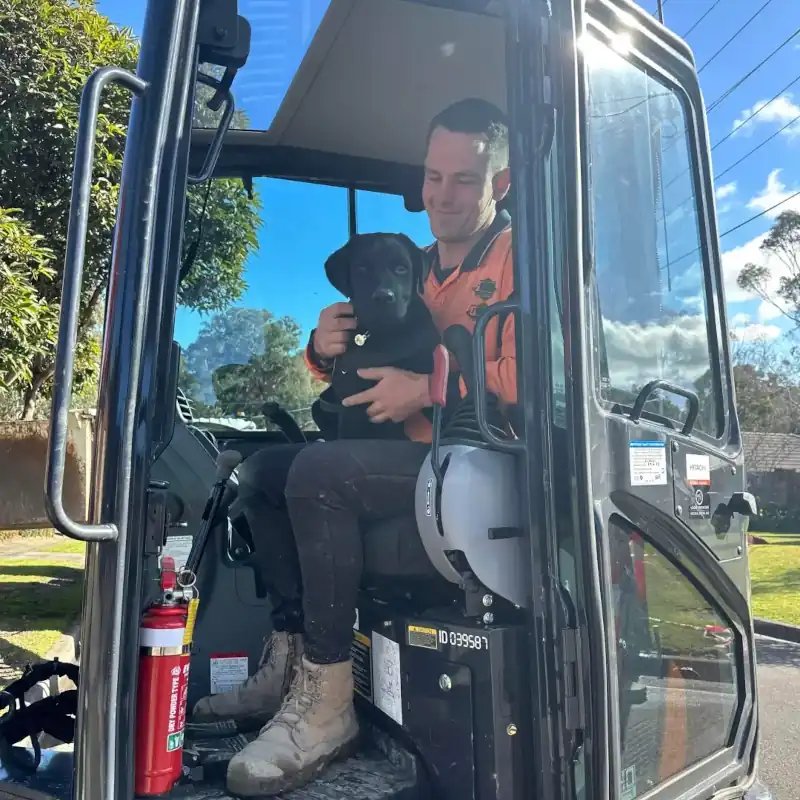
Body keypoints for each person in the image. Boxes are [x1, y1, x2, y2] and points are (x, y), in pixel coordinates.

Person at [191, 97, 517, 797]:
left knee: (321, 473)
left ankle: (327, 706)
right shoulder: (413, 265)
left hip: (482, 464)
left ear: (500, 184)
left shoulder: (530, 262)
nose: (443, 194)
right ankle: (290, 659)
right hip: (412, 459)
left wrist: (428, 389)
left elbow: (538, 379)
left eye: (465, 178)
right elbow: (358, 366)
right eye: (433, 177)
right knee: (263, 471)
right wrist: (320, 345)